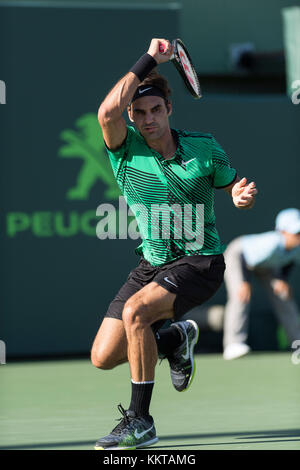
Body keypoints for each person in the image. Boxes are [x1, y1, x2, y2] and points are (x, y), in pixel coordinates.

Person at [91, 38, 257, 450]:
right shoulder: (124, 149)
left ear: (169, 110)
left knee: (136, 313)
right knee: (103, 357)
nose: (148, 120)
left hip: (201, 261)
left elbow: (231, 181)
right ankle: (175, 339)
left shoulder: (204, 146)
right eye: (140, 113)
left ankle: (140, 420)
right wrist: (150, 58)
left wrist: (238, 193)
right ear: (132, 116)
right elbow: (106, 111)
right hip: (152, 265)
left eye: (156, 110)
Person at [223, 208, 300, 360]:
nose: (299, 236)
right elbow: (246, 259)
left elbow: (289, 262)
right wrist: (244, 282)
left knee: (283, 296)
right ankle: (233, 345)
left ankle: (297, 344)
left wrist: (282, 280)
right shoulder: (271, 243)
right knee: (241, 295)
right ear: (282, 232)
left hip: (266, 265)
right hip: (239, 256)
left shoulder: (296, 246)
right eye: (296, 233)